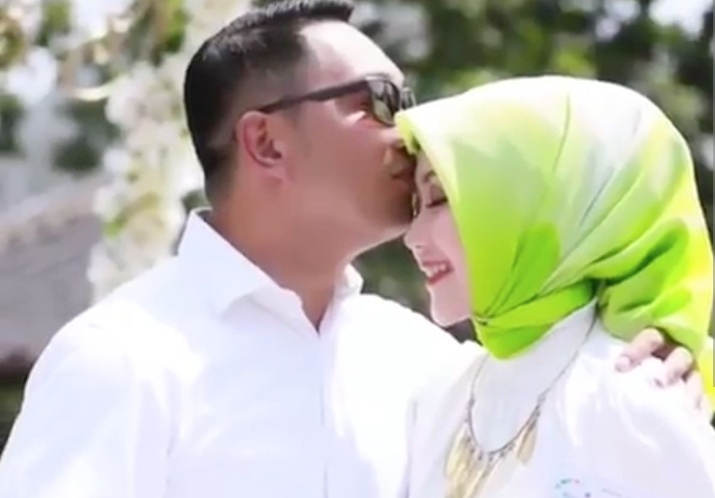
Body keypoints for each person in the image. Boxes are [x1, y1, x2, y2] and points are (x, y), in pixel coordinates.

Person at [0, 2, 709, 497]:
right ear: (267, 142)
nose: (408, 131)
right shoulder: (122, 361)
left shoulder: (425, 364)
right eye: (379, 100)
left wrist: (655, 337)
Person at [398, 75, 715, 498]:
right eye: (415, 206)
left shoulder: (630, 400)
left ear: (526, 205)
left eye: (440, 199)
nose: (413, 236)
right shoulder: (440, 397)